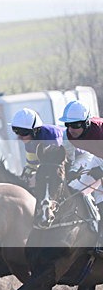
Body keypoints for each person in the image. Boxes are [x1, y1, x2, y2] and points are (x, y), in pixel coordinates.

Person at [58, 100, 103, 256]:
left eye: (76, 125)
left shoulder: (99, 133)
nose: (72, 129)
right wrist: (68, 173)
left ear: (87, 123)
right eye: (68, 125)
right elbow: (68, 159)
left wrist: (101, 170)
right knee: (76, 189)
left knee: (100, 194)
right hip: (98, 156)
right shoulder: (67, 136)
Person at [9, 108, 65, 187]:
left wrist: (36, 176)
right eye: (16, 131)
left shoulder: (52, 137)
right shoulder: (29, 138)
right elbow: (32, 165)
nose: (19, 136)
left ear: (35, 130)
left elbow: (55, 168)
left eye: (22, 132)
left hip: (79, 157)